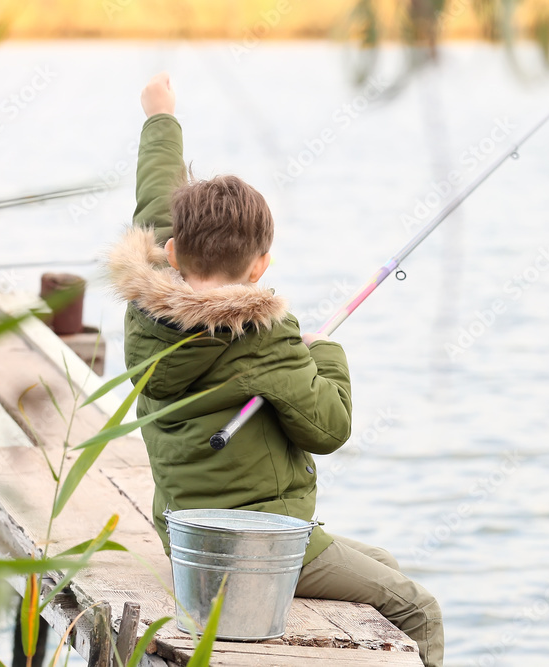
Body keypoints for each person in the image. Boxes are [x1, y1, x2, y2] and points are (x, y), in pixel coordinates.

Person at [106, 72, 443, 666]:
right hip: (255, 548)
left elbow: (155, 193)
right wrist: (325, 355)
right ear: (261, 266)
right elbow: (329, 428)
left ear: (175, 252)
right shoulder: (263, 337)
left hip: (187, 537)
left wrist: (160, 116)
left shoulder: (146, 302)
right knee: (418, 607)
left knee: (384, 565)